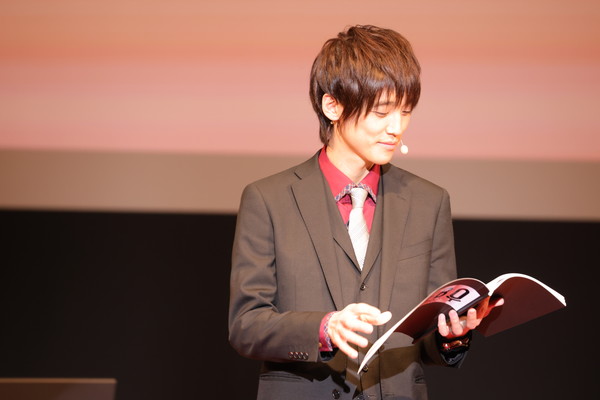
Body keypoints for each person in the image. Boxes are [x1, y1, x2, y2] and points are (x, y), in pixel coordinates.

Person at [228, 25, 502, 400]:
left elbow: (426, 338)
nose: (396, 128)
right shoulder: (268, 199)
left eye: (406, 111)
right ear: (332, 106)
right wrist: (324, 328)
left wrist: (451, 337)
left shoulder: (428, 202)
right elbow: (246, 325)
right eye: (381, 112)